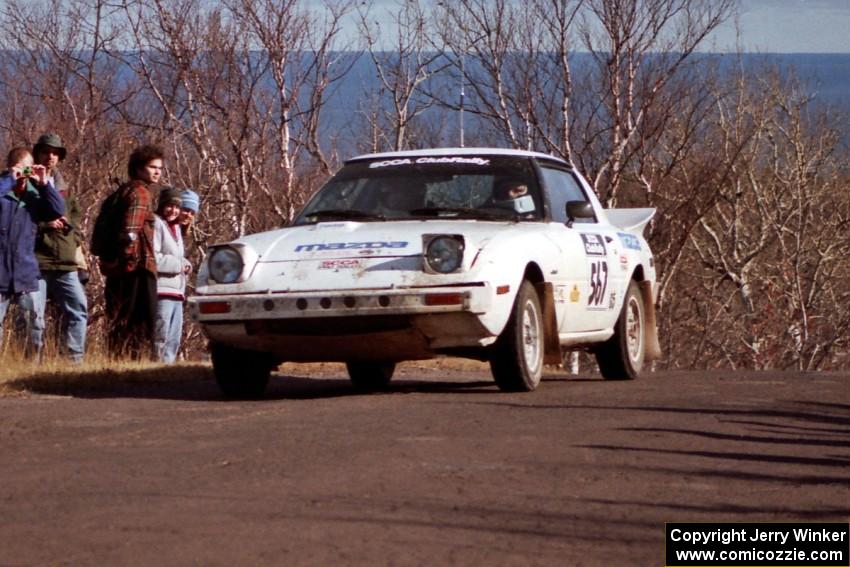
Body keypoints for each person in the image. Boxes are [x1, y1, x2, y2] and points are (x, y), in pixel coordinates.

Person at [0, 148, 65, 359]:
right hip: (0, 272)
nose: (23, 174)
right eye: (20, 168)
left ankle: (31, 369)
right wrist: (10, 179)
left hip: (25, 272)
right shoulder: (3, 190)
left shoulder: (34, 197)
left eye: (27, 168)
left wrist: (44, 183)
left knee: (34, 326)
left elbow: (57, 210)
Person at [101, 145, 163, 360]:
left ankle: (118, 359)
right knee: (141, 319)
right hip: (137, 266)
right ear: (138, 168)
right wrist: (127, 258)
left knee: (119, 317)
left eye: (159, 168)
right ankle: (136, 361)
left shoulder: (123, 191)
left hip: (118, 267)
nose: (157, 172)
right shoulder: (140, 193)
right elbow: (130, 231)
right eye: (152, 167)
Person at [31, 133, 88, 362]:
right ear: (37, 154)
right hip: (36, 261)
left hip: (66, 262)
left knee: (78, 309)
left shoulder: (66, 189)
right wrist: (45, 225)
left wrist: (71, 233)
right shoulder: (25, 183)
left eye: (55, 153)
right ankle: (31, 363)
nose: (50, 157)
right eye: (45, 152)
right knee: (33, 316)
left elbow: (76, 219)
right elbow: (19, 220)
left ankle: (74, 362)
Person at [153, 187, 192, 363]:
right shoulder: (156, 223)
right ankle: (155, 364)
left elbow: (177, 256)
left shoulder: (176, 228)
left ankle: (167, 367)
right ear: (162, 205)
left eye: (177, 207)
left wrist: (186, 264)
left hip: (177, 291)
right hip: (162, 289)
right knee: (161, 333)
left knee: (174, 337)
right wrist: (178, 266)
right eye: (169, 206)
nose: (173, 211)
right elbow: (155, 257)